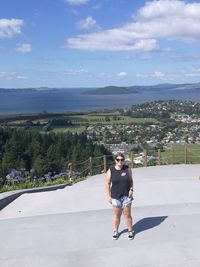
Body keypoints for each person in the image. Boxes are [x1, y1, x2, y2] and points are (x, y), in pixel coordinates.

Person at [105, 152, 134, 240]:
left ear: (123, 160)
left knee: (127, 215)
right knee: (117, 215)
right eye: (118, 159)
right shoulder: (111, 170)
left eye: (121, 159)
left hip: (126, 197)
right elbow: (107, 184)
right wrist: (108, 196)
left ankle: (130, 230)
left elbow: (131, 181)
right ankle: (116, 231)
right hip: (115, 197)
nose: (120, 161)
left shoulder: (127, 169)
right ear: (115, 160)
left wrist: (131, 190)